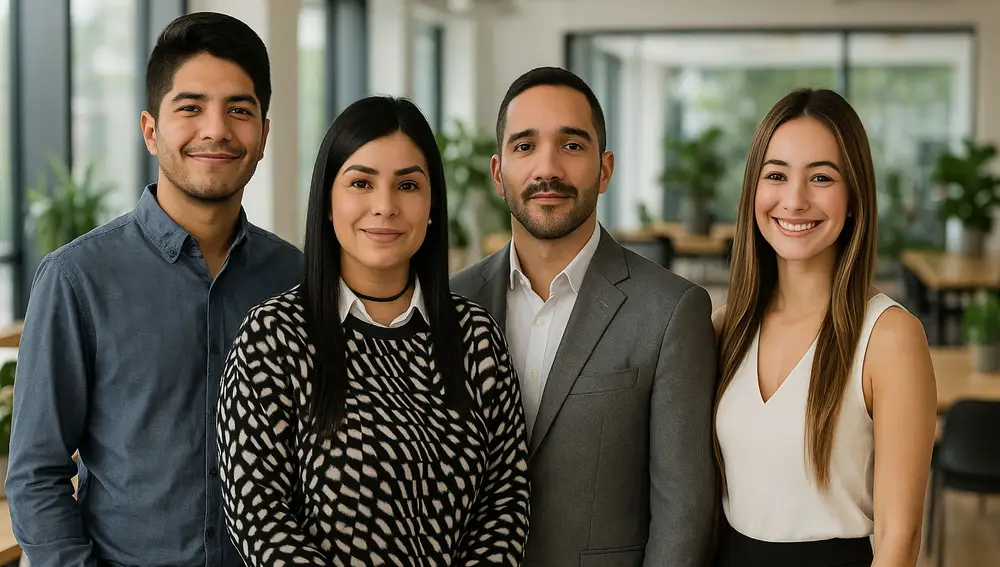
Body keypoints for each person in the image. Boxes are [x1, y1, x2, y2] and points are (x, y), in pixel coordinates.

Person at [6, 12, 303, 567]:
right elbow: (37, 474)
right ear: (150, 130)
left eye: (239, 110)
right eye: (190, 108)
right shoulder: (77, 280)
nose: (215, 129)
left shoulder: (298, 279)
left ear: (263, 134)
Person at [215, 95, 531, 566]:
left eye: (407, 185)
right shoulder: (271, 338)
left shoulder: (476, 338)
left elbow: (505, 504)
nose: (385, 206)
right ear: (327, 201)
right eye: (361, 182)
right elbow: (257, 515)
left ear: (430, 205)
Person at [450, 66, 717, 567]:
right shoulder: (447, 303)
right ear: (497, 171)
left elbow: (683, 508)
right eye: (524, 146)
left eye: (571, 146)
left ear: (606, 169)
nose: (546, 168)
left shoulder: (670, 311)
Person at [711, 88, 937, 567]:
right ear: (754, 189)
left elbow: (900, 538)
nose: (795, 200)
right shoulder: (723, 328)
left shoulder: (889, 338)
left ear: (854, 197)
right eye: (776, 175)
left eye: (821, 177)